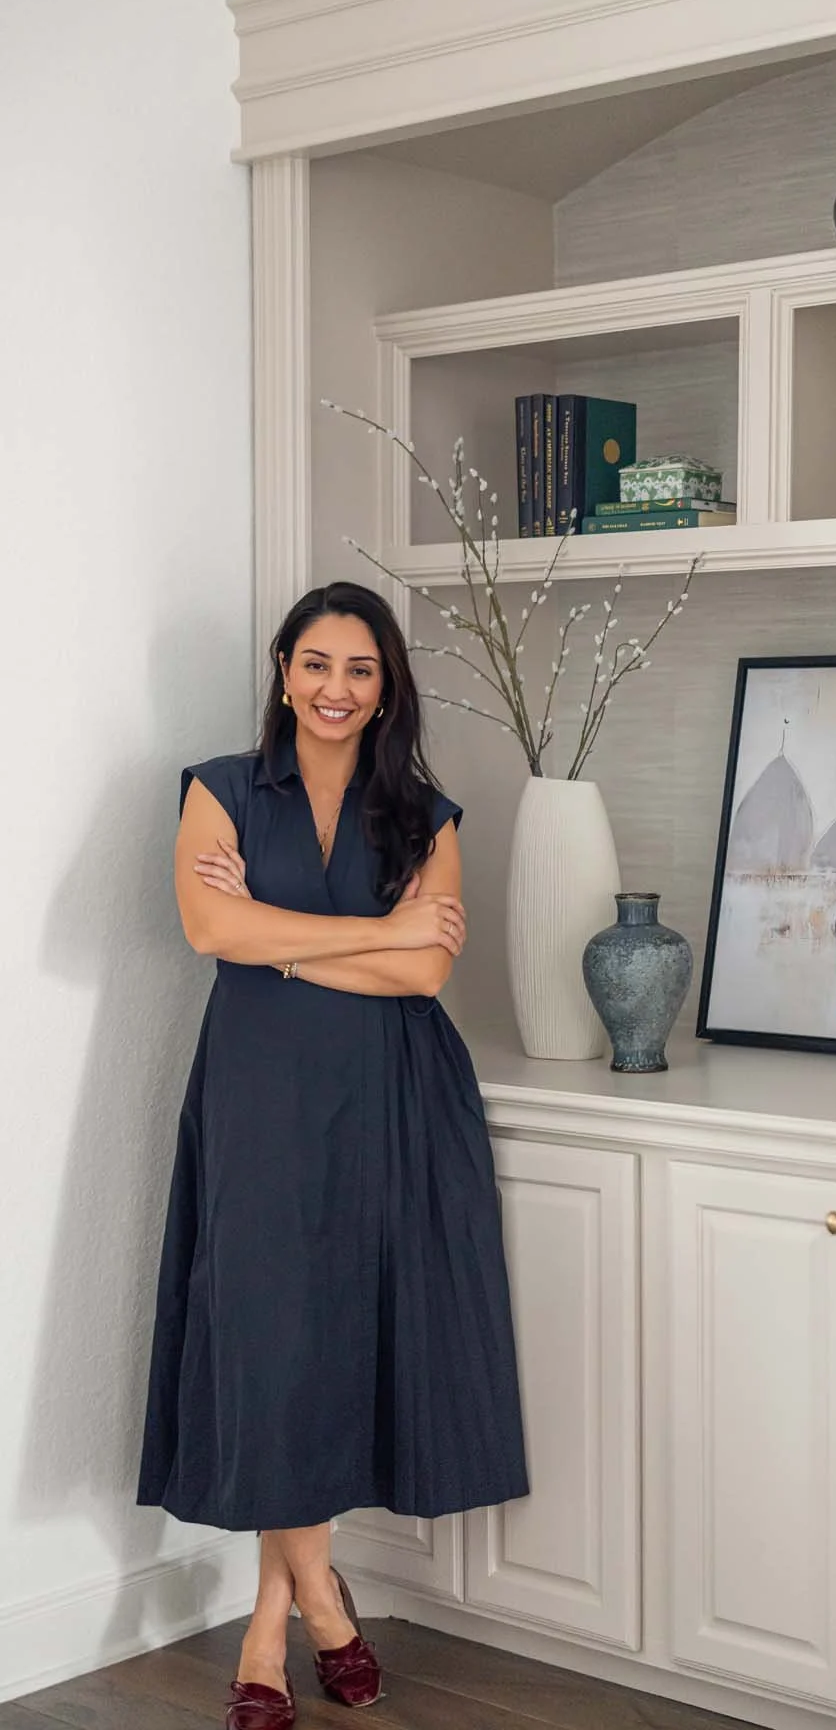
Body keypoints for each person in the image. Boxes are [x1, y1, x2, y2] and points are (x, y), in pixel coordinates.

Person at [136, 582, 529, 1729]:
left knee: (340, 1343)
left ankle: (272, 1625)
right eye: (315, 663)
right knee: (276, 1341)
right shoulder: (218, 791)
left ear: (386, 684)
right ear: (281, 666)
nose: (335, 689)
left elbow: (423, 975)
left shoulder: (424, 813)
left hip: (392, 1097)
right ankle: (319, 1602)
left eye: (360, 670)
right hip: (258, 1095)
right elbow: (213, 931)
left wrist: (286, 943)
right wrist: (372, 931)